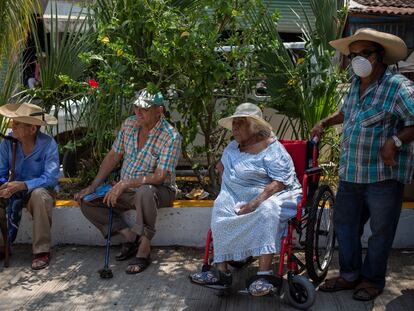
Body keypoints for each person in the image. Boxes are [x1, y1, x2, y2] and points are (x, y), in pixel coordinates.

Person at [312, 28, 414, 301]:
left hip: (382, 177)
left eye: (364, 53)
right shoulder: (357, 84)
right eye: (352, 54)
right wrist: (325, 121)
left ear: (379, 56)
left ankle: (372, 280)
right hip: (351, 174)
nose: (357, 59)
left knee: (380, 233)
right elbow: (347, 112)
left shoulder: (397, 87)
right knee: (346, 227)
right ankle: (349, 276)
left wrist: (395, 141)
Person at [189, 103, 302, 296]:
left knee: (268, 209)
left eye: (241, 123)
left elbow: (279, 183)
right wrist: (229, 178)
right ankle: (220, 271)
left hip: (271, 194)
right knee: (221, 205)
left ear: (255, 126)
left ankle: (264, 274)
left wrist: (253, 203)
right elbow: (222, 166)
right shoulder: (233, 147)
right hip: (240, 194)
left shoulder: (272, 149)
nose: (235, 128)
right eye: (234, 124)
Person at [75, 89, 181, 274]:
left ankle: (144, 247)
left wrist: (125, 183)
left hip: (157, 191)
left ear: (159, 110)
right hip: (127, 189)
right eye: (136, 107)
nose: (138, 112)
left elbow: (159, 177)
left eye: (145, 109)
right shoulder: (129, 124)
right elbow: (113, 156)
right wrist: (93, 186)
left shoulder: (170, 136)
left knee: (145, 191)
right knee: (87, 200)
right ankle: (130, 236)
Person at [0, 102, 59, 270]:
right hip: (14, 189)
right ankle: (4, 245)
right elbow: (1, 171)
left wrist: (24, 185)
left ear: (32, 129)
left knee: (39, 195)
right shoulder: (8, 143)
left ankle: (41, 251)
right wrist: (4, 185)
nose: (13, 126)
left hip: (41, 190)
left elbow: (51, 178)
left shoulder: (48, 144)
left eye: (17, 124)